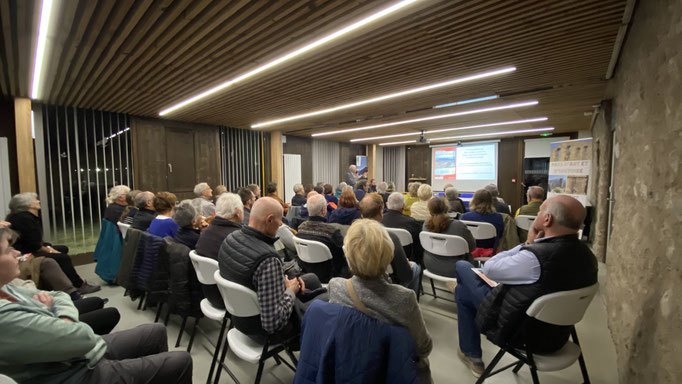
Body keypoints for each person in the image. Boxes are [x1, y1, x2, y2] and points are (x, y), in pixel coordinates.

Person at [0, 227, 193, 383]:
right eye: (8, 250)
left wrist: (57, 315)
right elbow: (81, 339)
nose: (18, 252)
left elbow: (58, 295)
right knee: (180, 360)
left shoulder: (6, 288)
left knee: (156, 330)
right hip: (74, 373)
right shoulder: (5, 317)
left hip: (75, 354)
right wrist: (59, 315)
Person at [454, 195, 597, 378]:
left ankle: (472, 354)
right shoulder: (588, 256)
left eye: (539, 211)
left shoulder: (535, 258)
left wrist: (528, 244)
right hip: (557, 335)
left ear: (547, 219)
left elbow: (489, 268)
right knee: (463, 291)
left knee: (463, 268)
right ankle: (470, 353)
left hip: (519, 332)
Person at [328, 220, 432, 383]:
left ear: (347, 254)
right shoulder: (404, 298)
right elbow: (424, 348)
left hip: (354, 366)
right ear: (389, 255)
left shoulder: (335, 286)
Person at [218, 197, 323, 345]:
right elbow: (273, 323)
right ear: (269, 220)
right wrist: (291, 290)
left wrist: (282, 280)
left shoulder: (230, 239)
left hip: (239, 319)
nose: (281, 224)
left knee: (310, 279)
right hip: (265, 332)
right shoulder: (267, 260)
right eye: (280, 221)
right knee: (327, 299)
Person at [5, 193, 100, 294]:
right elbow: (34, 244)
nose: (38, 201)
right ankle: (79, 285)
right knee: (63, 257)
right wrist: (51, 250)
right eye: (35, 200)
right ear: (28, 204)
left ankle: (64, 280)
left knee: (63, 248)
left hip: (29, 248)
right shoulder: (24, 219)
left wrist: (49, 247)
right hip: (26, 253)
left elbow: (35, 240)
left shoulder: (22, 217)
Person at [359, 193, 421, 296]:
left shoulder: (352, 235)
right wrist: (404, 263)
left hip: (361, 281)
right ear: (380, 212)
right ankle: (410, 302)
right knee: (414, 267)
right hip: (387, 282)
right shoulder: (390, 238)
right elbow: (405, 275)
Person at [195, 193, 244, 309]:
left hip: (210, 293)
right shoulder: (236, 238)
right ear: (237, 212)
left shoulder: (205, 232)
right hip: (231, 298)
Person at [296, 194, 350, 282]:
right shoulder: (332, 232)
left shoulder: (300, 229)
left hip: (308, 275)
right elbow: (343, 257)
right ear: (323, 210)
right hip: (331, 277)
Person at [422, 198, 476, 278]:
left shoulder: (425, 226)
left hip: (430, 265)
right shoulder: (459, 226)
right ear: (447, 208)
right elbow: (472, 247)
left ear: (430, 211)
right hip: (455, 268)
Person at [382, 192, 424, 265]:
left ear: (387, 204)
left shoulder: (379, 221)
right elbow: (418, 249)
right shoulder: (412, 223)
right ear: (404, 206)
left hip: (384, 259)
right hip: (407, 262)